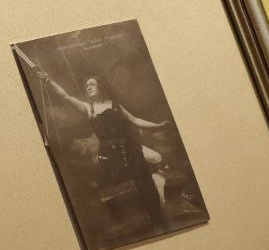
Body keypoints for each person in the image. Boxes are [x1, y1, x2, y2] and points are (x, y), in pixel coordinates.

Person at [38, 70, 170, 232]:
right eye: (87, 85)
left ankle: (159, 219)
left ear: (100, 86)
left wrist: (156, 126)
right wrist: (48, 81)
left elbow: (134, 120)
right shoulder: (88, 108)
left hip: (131, 148)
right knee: (122, 183)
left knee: (147, 181)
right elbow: (65, 96)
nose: (89, 87)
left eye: (92, 84)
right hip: (110, 155)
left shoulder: (115, 105)